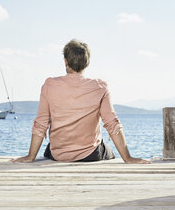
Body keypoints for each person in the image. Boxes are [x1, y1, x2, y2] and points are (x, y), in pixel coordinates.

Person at [12, 39, 150, 164]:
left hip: (59, 154)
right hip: (90, 154)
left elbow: (41, 123)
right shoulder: (100, 87)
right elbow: (111, 123)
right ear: (87, 63)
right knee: (108, 151)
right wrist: (128, 158)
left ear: (65, 61)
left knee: (49, 149)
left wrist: (30, 156)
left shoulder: (49, 85)